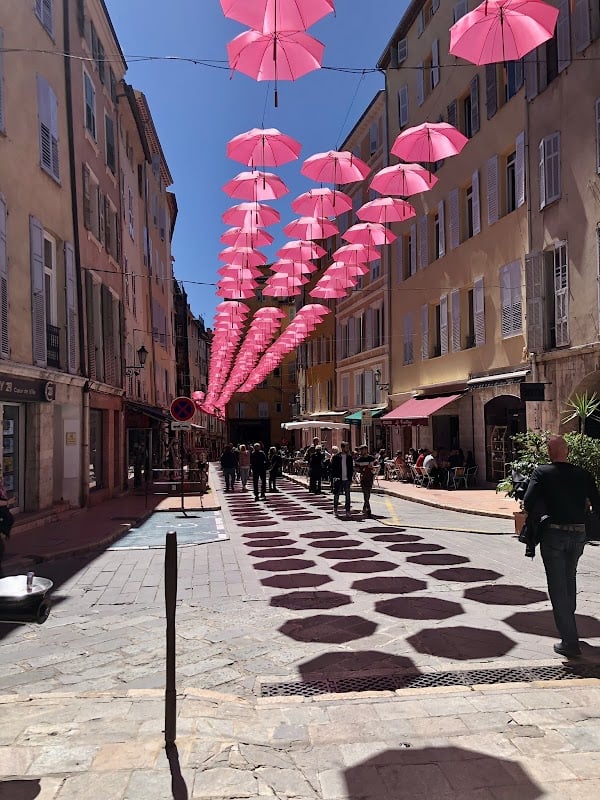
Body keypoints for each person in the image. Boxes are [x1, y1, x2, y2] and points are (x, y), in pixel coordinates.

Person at [523, 435, 600, 658]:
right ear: (567, 451)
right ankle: (570, 630)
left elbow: (528, 501)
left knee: (557, 587)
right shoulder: (582, 474)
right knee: (569, 580)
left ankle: (570, 642)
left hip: (554, 533)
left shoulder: (542, 472)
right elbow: (596, 502)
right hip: (578, 533)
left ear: (549, 452)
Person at [330, 442, 354, 517]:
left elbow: (351, 469)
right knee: (336, 494)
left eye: (348, 447)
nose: (348, 449)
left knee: (347, 495)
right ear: (342, 448)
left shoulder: (349, 457)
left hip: (347, 479)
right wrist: (334, 478)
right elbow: (333, 468)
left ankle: (347, 511)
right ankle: (335, 509)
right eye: (346, 447)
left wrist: (351, 478)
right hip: (338, 478)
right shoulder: (336, 457)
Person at [355, 444, 377, 516]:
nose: (363, 451)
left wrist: (373, 468)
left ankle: (364, 508)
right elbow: (356, 469)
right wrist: (361, 470)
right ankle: (368, 509)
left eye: (365, 449)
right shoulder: (359, 460)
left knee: (368, 493)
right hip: (363, 478)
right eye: (362, 450)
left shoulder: (372, 458)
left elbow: (376, 466)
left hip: (370, 477)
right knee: (365, 493)